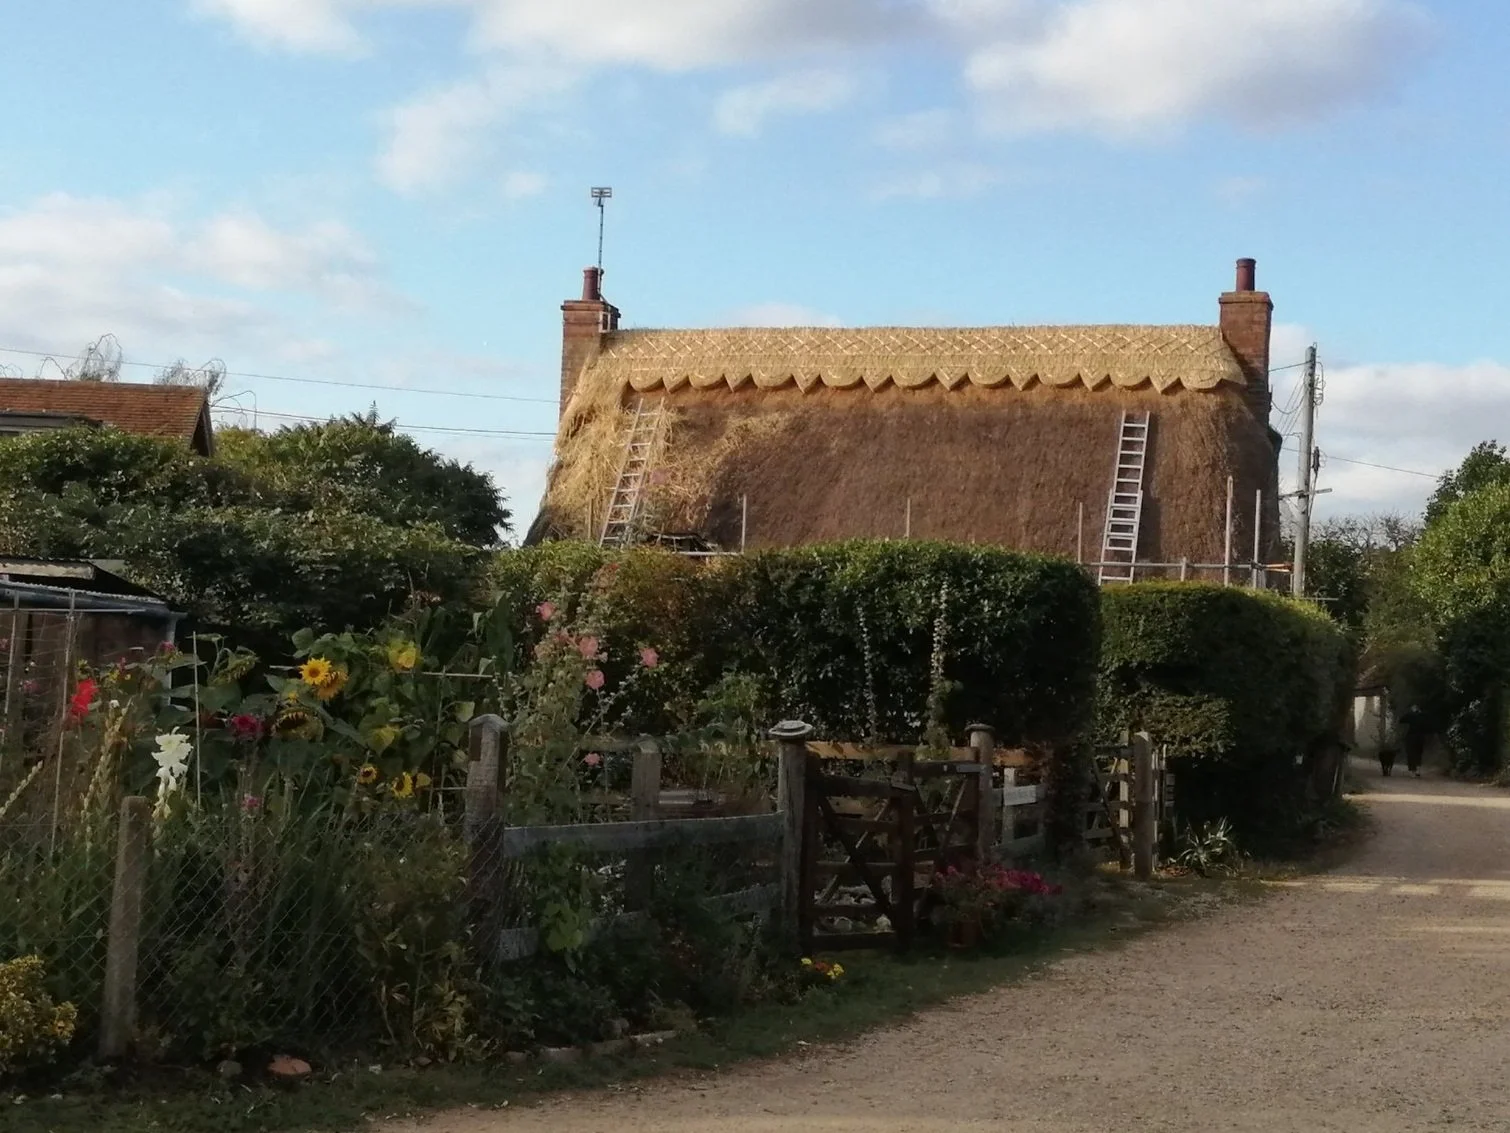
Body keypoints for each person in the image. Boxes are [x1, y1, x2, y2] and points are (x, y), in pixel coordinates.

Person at [1400, 704, 1426, 778]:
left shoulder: (1410, 715)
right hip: (1421, 736)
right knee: (1419, 753)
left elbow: (1401, 720)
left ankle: (1412, 771)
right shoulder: (1423, 716)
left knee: (1411, 753)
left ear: (1413, 709)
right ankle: (1418, 770)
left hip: (1411, 736)